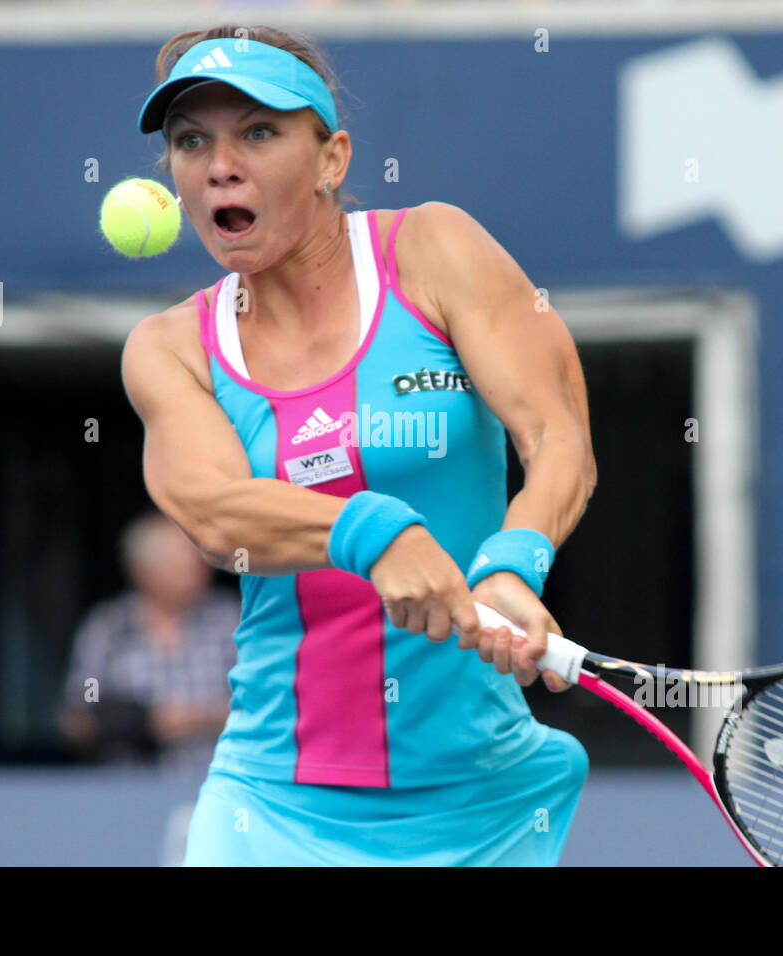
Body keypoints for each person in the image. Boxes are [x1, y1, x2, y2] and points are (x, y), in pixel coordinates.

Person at [121, 25, 597, 865]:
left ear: (332, 158)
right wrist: (375, 533)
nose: (219, 164)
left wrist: (514, 562)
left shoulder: (435, 250)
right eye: (192, 141)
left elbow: (558, 437)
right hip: (273, 804)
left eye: (258, 132)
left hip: (483, 802)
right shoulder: (170, 348)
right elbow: (214, 514)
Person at [58, 511, 239, 771]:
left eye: (198, 558)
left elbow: (269, 707)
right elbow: (80, 710)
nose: (197, 568)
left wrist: (198, 719)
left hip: (217, 786)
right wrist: (124, 720)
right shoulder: (108, 627)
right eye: (181, 561)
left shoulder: (231, 620)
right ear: (144, 570)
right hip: (126, 790)